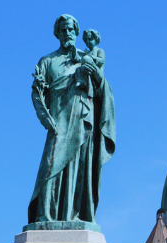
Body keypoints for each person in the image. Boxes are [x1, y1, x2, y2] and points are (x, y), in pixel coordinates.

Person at [29, 15, 115, 225]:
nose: (67, 33)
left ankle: (74, 215)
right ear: (57, 33)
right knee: (50, 167)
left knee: (79, 168)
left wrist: (97, 76)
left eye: (70, 29)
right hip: (58, 121)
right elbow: (37, 93)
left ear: (76, 33)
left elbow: (104, 91)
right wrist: (44, 117)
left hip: (81, 120)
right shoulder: (47, 62)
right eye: (63, 29)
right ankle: (45, 216)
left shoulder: (87, 57)